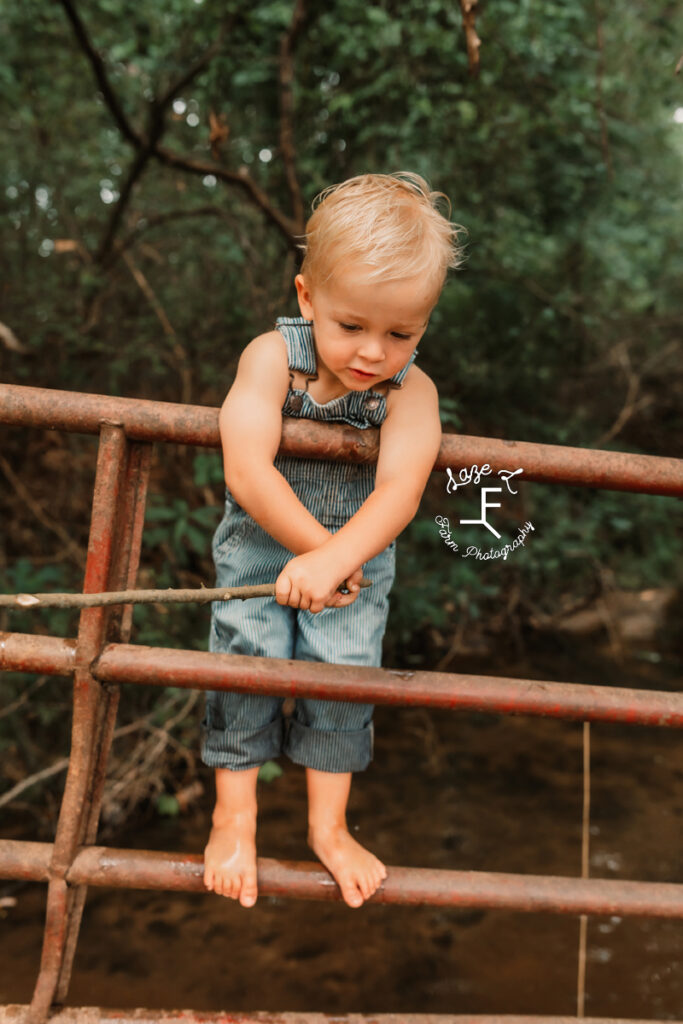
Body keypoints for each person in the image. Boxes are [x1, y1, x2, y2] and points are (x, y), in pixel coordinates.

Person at [201, 171, 463, 910]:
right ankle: (234, 816)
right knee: (246, 665)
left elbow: (400, 492)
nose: (375, 352)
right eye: (352, 326)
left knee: (342, 679)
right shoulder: (269, 359)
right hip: (259, 551)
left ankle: (328, 825)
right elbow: (248, 473)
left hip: (355, 565)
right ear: (306, 297)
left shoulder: (410, 393)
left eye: (401, 333)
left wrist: (339, 562)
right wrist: (318, 551)